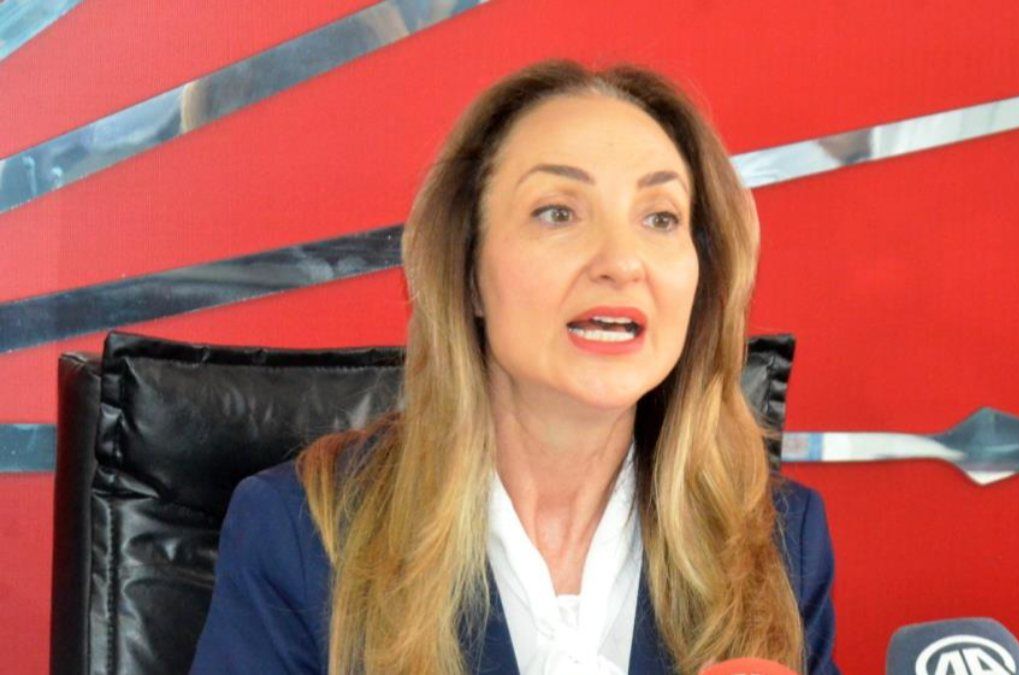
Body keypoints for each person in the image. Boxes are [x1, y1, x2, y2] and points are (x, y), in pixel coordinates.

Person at [191, 58, 839, 674]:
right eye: (557, 213)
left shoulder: (777, 546)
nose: (621, 260)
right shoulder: (303, 535)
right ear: (468, 272)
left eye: (660, 218)